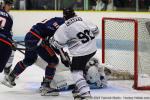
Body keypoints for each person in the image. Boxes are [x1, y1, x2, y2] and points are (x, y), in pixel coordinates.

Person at [2, 17, 67, 96]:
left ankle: (11, 76)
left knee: (29, 60)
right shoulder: (63, 26)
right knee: (53, 61)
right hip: (38, 40)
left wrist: (62, 54)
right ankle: (46, 87)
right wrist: (63, 56)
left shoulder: (57, 19)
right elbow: (55, 44)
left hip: (29, 36)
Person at [52, 7, 99, 100]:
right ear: (74, 14)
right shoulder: (83, 19)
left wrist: (51, 41)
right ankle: (78, 90)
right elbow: (96, 31)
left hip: (81, 52)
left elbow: (57, 44)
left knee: (76, 72)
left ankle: (85, 94)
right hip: (93, 49)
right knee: (81, 67)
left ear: (64, 16)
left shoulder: (64, 27)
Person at [0, 0, 14, 74]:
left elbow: (9, 31)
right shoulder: (9, 17)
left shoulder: (10, 16)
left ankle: (7, 68)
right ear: (3, 4)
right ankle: (7, 69)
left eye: (11, 5)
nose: (10, 7)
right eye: (9, 5)